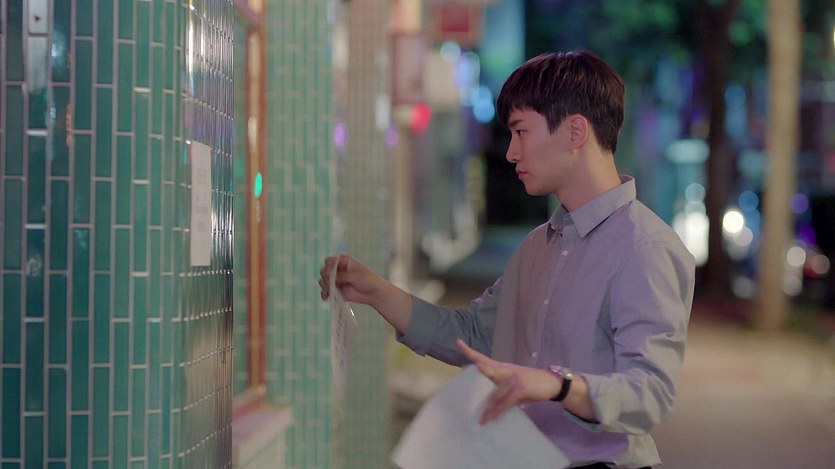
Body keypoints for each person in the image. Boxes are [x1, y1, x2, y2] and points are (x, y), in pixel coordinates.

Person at [319, 50, 695, 469]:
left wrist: (556, 385)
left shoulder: (646, 248)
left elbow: (650, 392)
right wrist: (376, 293)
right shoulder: (537, 246)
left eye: (521, 131)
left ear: (575, 132)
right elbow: (474, 336)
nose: (512, 152)